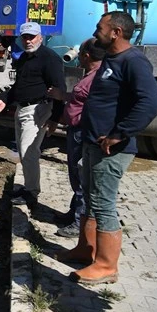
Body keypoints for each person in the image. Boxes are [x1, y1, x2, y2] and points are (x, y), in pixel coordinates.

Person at [60, 12, 157, 285]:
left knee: (103, 203)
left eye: (100, 28)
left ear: (116, 32)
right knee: (90, 198)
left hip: (111, 150)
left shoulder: (133, 61)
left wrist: (119, 134)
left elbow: (150, 103)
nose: (96, 33)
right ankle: (86, 249)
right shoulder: (111, 59)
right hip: (93, 142)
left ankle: (106, 265)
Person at [0, 22, 65, 205]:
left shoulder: (50, 58)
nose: (28, 41)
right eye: (25, 37)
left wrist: (55, 118)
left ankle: (31, 193)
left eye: (32, 37)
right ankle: (28, 187)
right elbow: (19, 85)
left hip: (38, 109)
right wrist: (5, 100)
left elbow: (59, 89)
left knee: (28, 151)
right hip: (22, 108)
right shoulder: (24, 57)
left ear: (40, 37)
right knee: (23, 150)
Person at [46, 38, 105, 238]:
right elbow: (80, 98)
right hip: (76, 130)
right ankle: (74, 213)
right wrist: (63, 96)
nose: (77, 57)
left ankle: (79, 222)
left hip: (83, 132)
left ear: (86, 56)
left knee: (81, 177)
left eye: (79, 54)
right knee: (74, 173)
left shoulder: (99, 78)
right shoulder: (90, 75)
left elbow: (94, 105)